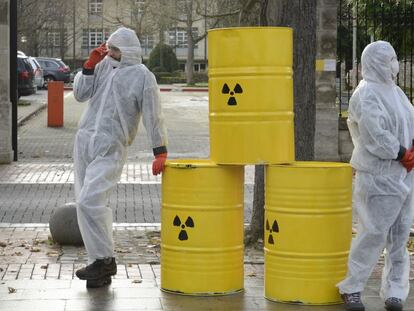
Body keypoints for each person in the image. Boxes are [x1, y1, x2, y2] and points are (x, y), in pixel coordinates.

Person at [72, 27, 168, 287]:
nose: (110, 53)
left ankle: (104, 260)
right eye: (109, 48)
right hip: (84, 141)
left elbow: (153, 115)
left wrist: (159, 150)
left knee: (89, 201)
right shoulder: (102, 66)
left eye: (115, 49)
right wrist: (89, 66)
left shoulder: (142, 77)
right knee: (85, 201)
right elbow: (80, 94)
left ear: (129, 51)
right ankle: (100, 266)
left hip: (112, 144)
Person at [337, 40, 414, 311]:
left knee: (400, 236)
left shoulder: (396, 92)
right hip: (379, 177)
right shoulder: (366, 94)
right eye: (391, 59)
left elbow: (410, 121)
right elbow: (374, 134)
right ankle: (352, 288)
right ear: (377, 62)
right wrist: (402, 153)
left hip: (404, 174)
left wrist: (410, 152)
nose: (394, 64)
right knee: (373, 234)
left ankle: (395, 290)